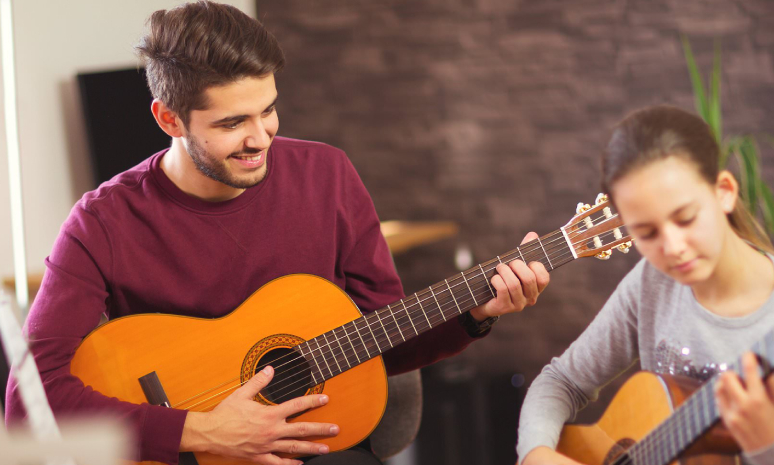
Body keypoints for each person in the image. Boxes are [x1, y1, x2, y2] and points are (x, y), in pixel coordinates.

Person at [4, 2, 551, 465]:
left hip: (317, 447)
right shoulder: (102, 221)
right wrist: (203, 431)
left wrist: (478, 312)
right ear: (169, 119)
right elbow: (28, 404)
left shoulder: (327, 175)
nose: (260, 138)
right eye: (231, 123)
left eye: (268, 111)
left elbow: (384, 342)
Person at [517, 105, 774, 465]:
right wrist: (536, 453)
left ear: (723, 191)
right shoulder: (652, 283)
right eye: (647, 232)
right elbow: (561, 380)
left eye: (686, 218)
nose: (672, 248)